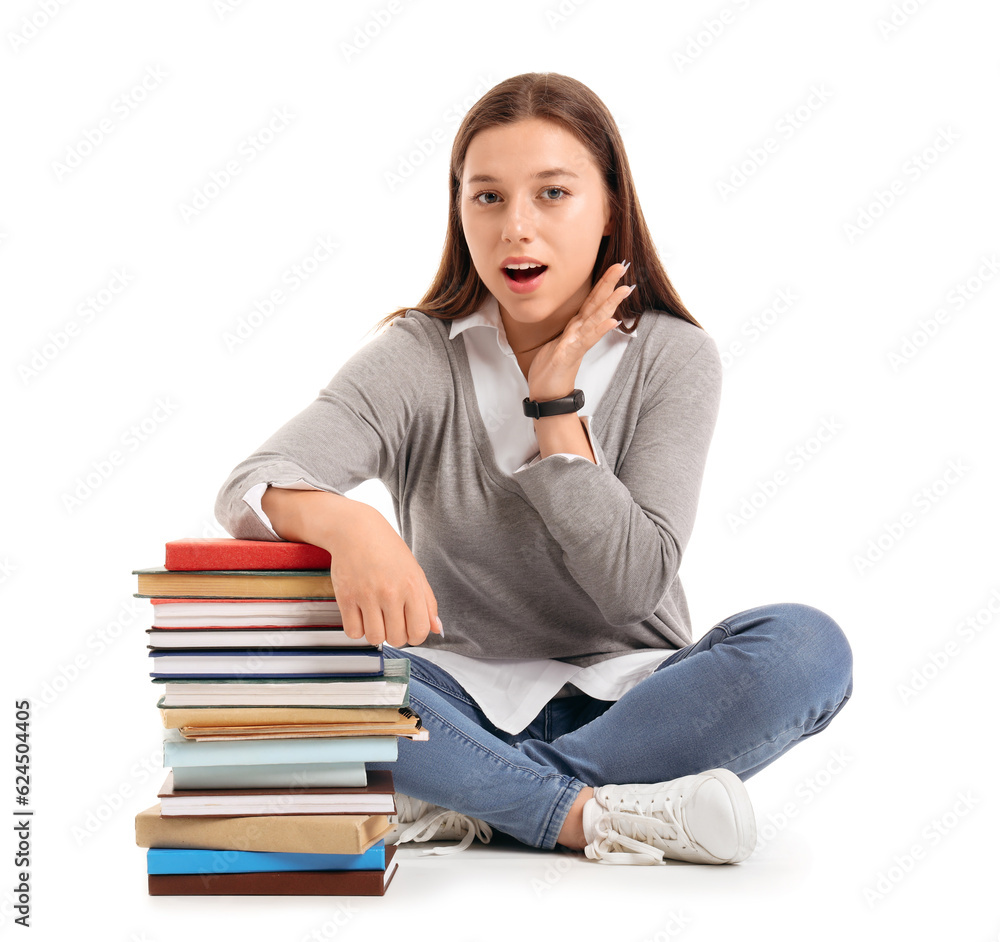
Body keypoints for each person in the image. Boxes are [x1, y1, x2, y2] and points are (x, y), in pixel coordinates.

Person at [215, 72, 853, 866]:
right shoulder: (419, 353)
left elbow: (630, 586)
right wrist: (351, 523)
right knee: (267, 649)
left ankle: (481, 800)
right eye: (487, 197)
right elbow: (256, 477)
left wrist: (555, 408)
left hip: (635, 701)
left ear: (610, 205)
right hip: (448, 701)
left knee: (807, 648)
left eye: (553, 193)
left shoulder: (673, 356)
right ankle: (592, 815)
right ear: (460, 210)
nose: (517, 227)